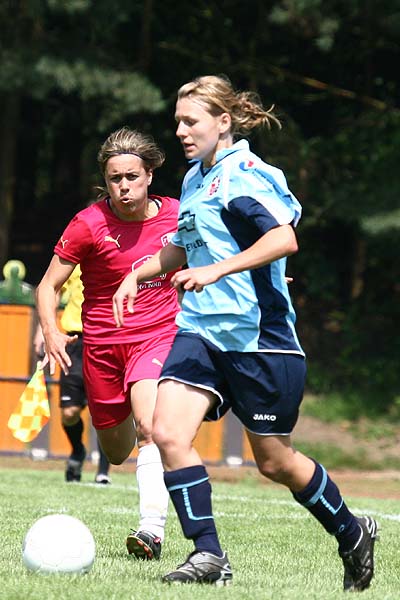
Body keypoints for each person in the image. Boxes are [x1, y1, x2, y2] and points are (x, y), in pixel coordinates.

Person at [112, 75, 378, 590]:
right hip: (200, 332)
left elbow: (283, 239)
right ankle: (208, 554)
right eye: (177, 122)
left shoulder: (246, 174)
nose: (181, 131)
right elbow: (184, 247)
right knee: (166, 433)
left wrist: (217, 270)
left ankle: (352, 531)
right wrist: (137, 274)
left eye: (191, 121)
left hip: (259, 339)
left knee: (274, 462)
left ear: (223, 121)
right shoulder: (195, 178)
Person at [36, 127, 180, 560]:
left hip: (158, 334)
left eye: (132, 177)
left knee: (150, 427)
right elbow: (47, 286)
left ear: (150, 175)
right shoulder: (88, 223)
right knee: (117, 451)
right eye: (115, 178)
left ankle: (151, 531)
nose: (124, 186)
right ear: (106, 179)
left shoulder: (177, 215)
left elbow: (214, 251)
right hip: (102, 347)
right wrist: (51, 330)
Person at [33, 265, 111, 484]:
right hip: (75, 342)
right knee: (69, 412)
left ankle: (103, 472)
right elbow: (53, 288)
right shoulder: (73, 261)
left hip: (107, 340)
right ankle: (78, 451)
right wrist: (43, 330)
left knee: (105, 410)